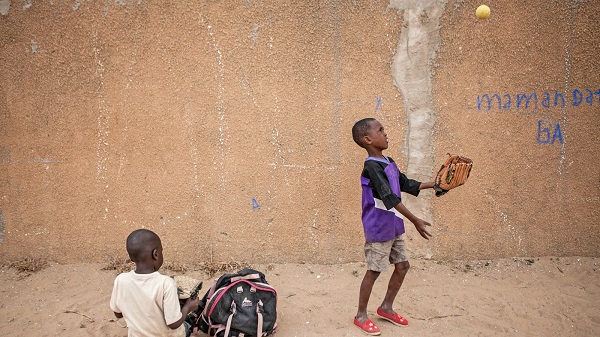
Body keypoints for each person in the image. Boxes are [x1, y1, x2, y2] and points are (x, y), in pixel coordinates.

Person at [351, 118, 434, 335]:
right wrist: (415, 219)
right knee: (374, 270)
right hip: (378, 226)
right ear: (367, 139)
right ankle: (361, 315)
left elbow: (405, 184)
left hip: (394, 224)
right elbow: (389, 197)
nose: (385, 133)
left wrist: (435, 184)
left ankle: (386, 307)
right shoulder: (371, 166)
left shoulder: (388, 161)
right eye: (381, 130)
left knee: (402, 266)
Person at [110, 229, 200, 337]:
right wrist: (188, 307)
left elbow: (118, 313)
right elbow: (173, 323)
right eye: (161, 251)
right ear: (156, 254)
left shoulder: (121, 280)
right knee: (187, 324)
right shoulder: (165, 283)